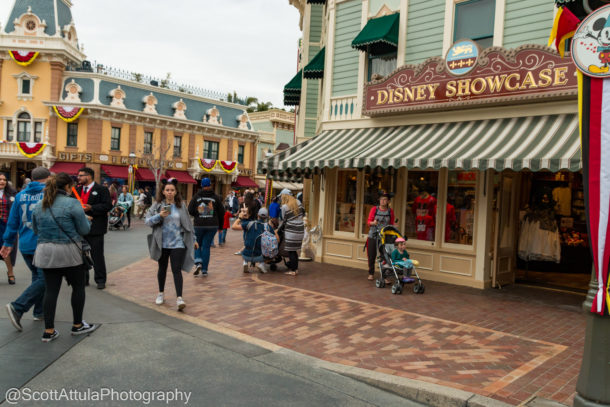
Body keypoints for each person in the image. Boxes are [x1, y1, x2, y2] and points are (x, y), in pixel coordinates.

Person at [32, 172, 98, 342]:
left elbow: (36, 230)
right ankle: (77, 325)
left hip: (45, 252)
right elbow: (84, 230)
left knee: (51, 290)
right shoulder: (72, 203)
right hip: (69, 252)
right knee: (78, 287)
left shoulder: (40, 205)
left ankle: (49, 330)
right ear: (68, 187)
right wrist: (87, 220)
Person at [3, 167, 49, 331]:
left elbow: (12, 221)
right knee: (45, 279)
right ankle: (18, 307)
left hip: (25, 243)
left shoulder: (20, 195)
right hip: (42, 242)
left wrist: (7, 242)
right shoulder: (48, 194)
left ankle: (39, 311)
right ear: (48, 178)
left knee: (37, 277)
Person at [145, 178, 195, 310]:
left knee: (176, 270)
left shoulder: (181, 206)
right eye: (167, 190)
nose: (170, 192)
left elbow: (189, 224)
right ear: (163, 191)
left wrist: (194, 240)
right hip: (161, 243)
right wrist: (159, 216)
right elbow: (148, 221)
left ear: (176, 191)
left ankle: (179, 298)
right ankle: (161, 293)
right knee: (162, 269)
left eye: (172, 190)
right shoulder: (156, 205)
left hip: (178, 242)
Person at [75, 167, 113, 289]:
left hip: (96, 228)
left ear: (89, 176)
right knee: (80, 256)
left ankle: (100, 280)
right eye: (78, 175)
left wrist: (91, 208)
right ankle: (83, 278)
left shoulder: (101, 189)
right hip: (79, 228)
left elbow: (107, 206)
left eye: (81, 175)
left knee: (97, 255)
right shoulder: (76, 189)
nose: (78, 177)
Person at [187, 178, 224, 276]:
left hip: (199, 224)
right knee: (206, 246)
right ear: (210, 185)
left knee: (197, 243)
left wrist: (197, 213)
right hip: (212, 225)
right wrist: (220, 226)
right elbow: (222, 212)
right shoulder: (215, 197)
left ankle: (198, 262)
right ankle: (204, 270)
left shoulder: (196, 196)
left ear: (202, 185)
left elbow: (190, 210)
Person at [232, 207, 275, 273]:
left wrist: (240, 218)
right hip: (259, 256)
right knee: (267, 246)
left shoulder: (249, 223)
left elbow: (233, 227)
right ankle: (261, 264)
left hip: (246, 255)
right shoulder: (268, 227)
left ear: (257, 215)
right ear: (267, 217)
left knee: (247, 244)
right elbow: (275, 239)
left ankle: (245, 263)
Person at [366, 192, 395, 281]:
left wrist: (394, 228)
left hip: (385, 236)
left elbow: (392, 224)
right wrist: (373, 223)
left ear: (388, 201)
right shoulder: (374, 209)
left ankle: (385, 276)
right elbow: (368, 222)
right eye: (381, 199)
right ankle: (371, 273)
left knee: (385, 256)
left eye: (385, 199)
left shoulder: (390, 211)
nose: (382, 201)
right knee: (371, 255)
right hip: (373, 235)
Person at [279, 189, 304, 276]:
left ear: (284, 197)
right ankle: (295, 269)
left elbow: (283, 219)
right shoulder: (298, 202)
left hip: (291, 231)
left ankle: (293, 270)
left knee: (291, 251)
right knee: (294, 251)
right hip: (300, 230)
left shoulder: (284, 207)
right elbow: (303, 213)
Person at [0, 172, 17, 284]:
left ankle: (10, 272)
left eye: (4, 180)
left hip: (6, 225)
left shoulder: (11, 193)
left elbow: (15, 211)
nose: (2, 182)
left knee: (7, 249)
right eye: (0, 179)